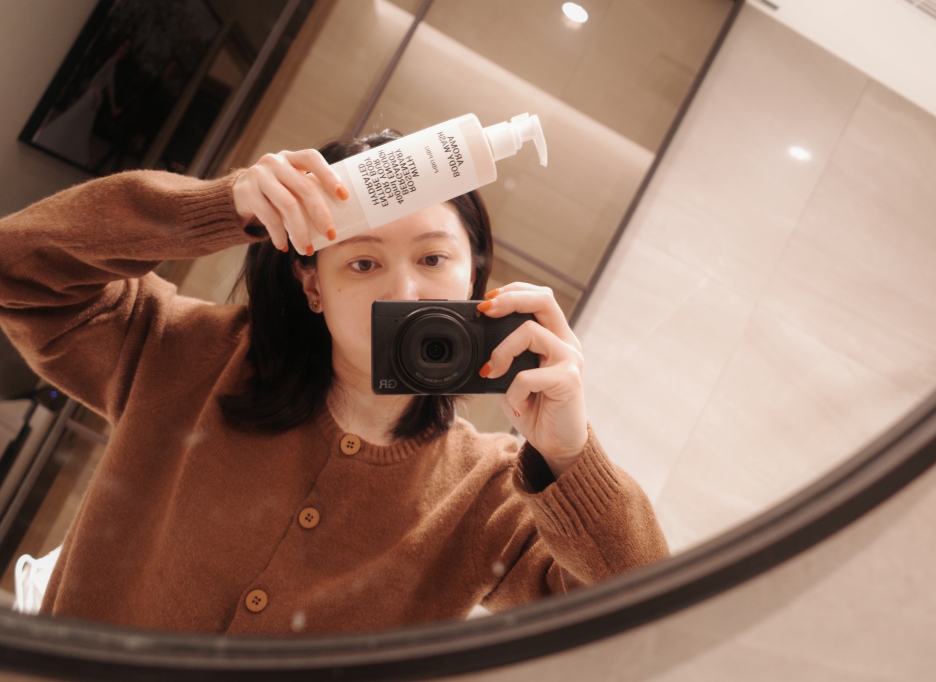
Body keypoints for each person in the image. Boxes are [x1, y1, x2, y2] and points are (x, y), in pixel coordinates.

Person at [0, 131, 669, 635]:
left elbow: (645, 625)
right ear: (312, 283)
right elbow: (17, 270)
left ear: (474, 273)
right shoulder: (184, 352)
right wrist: (221, 207)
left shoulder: (485, 494)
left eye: (433, 257)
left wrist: (570, 456)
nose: (404, 290)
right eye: (363, 262)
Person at [33, 37, 132, 168]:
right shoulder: (111, 61)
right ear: (118, 46)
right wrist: (96, 95)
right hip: (92, 97)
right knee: (74, 120)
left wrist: (112, 106)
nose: (124, 50)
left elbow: (110, 87)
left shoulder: (114, 64)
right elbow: (95, 80)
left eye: (127, 48)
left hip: (96, 98)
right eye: (123, 46)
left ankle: (67, 147)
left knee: (81, 125)